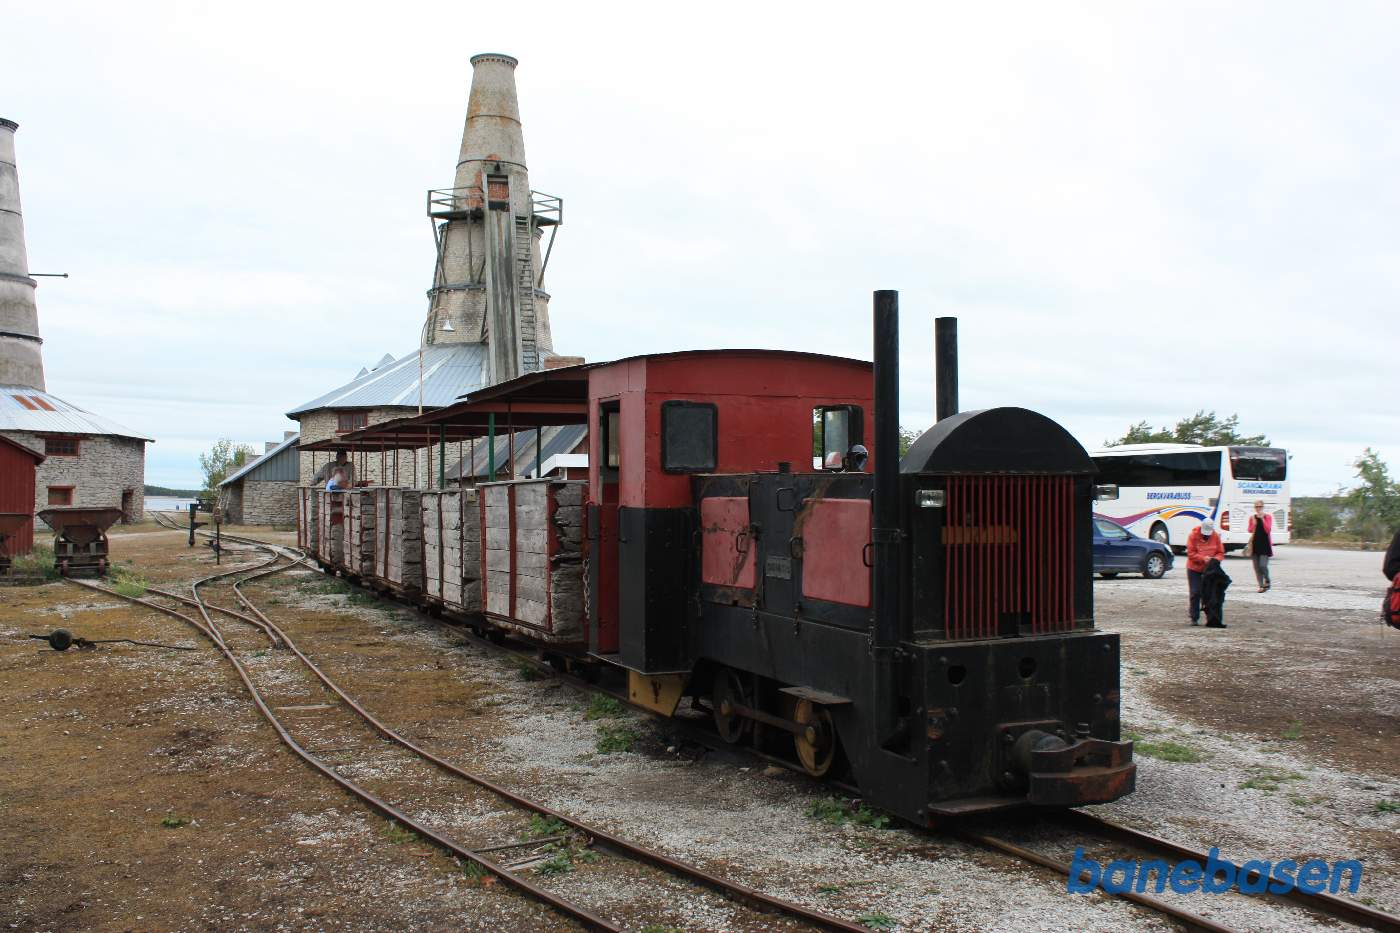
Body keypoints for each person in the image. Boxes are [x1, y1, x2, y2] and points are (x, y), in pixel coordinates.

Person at [1186, 519, 1225, 625]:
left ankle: (1211, 617)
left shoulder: (1215, 536)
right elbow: (1191, 553)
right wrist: (1203, 558)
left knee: (1209, 594)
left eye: (1208, 534)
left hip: (1210, 570)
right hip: (1194, 569)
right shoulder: (1193, 536)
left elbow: (1221, 553)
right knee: (1195, 592)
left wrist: (1215, 559)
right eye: (1204, 534)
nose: (1206, 536)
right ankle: (1194, 617)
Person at [1247, 500, 1274, 592]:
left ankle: (1267, 580)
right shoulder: (1252, 517)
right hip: (1255, 544)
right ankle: (1261, 586)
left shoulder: (1268, 517)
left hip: (1265, 544)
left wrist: (1262, 519)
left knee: (1263, 565)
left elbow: (1268, 530)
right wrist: (1253, 524)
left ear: (1263, 507)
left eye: (1260, 506)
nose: (1258, 508)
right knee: (1256, 567)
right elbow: (1249, 530)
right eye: (1256, 507)